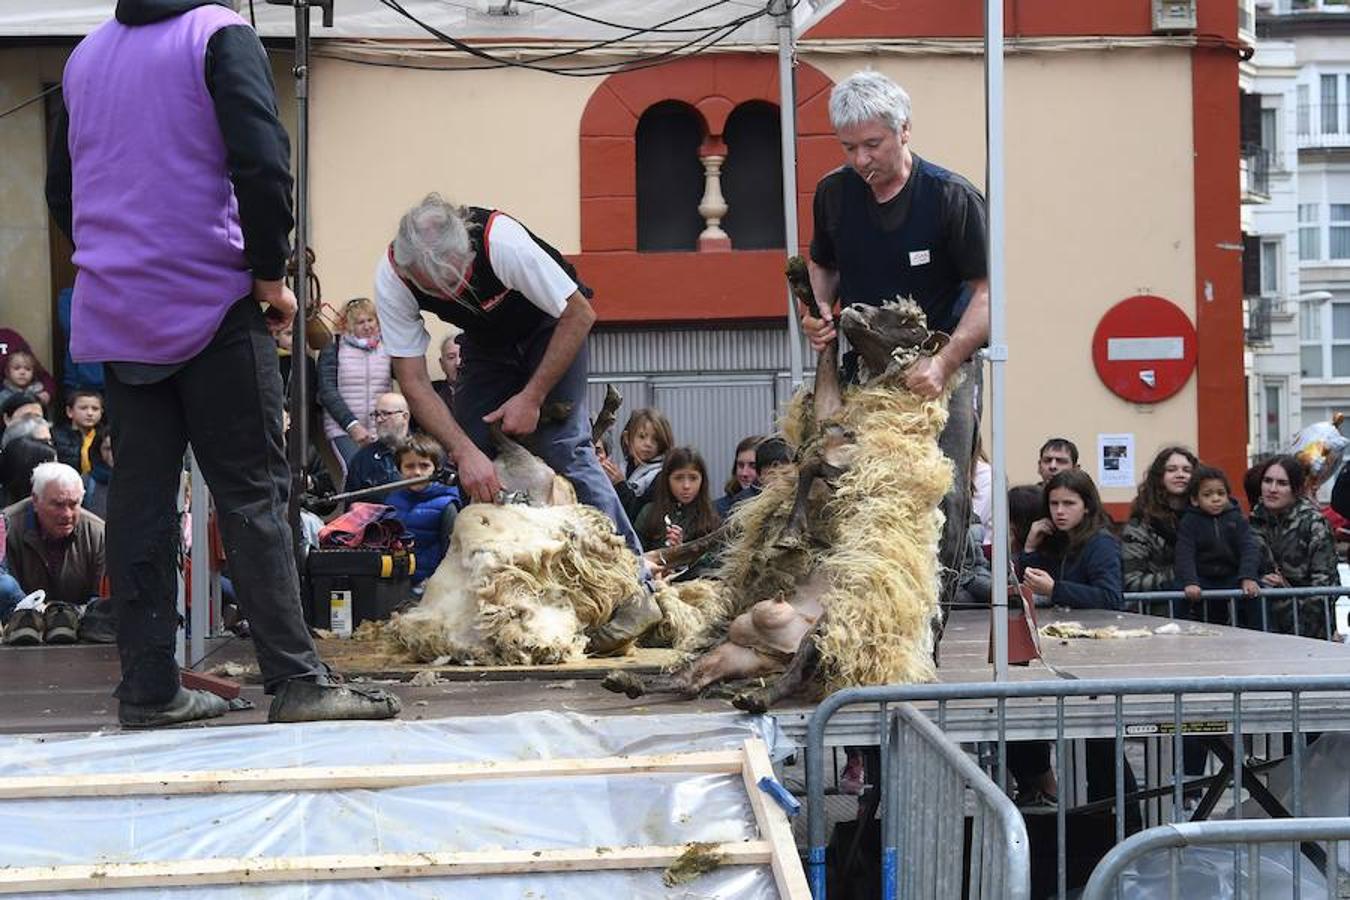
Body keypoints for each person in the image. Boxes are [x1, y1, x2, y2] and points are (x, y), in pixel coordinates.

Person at [46, 0, 399, 726]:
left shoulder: (85, 57)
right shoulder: (217, 35)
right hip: (211, 301)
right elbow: (263, 163)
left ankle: (147, 689)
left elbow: (62, 189)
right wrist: (269, 273)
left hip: (119, 309)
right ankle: (297, 681)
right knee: (255, 495)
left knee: (140, 504)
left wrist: (117, 256)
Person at [374, 194, 657, 651]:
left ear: (464, 249)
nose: (450, 296)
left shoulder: (499, 242)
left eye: (458, 280)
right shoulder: (392, 277)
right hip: (486, 345)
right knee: (471, 453)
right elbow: (411, 377)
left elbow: (580, 313)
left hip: (553, 325)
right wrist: (464, 452)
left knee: (567, 447)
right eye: (437, 289)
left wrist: (532, 396)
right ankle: (497, 606)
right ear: (411, 272)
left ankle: (637, 592)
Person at [801, 70, 988, 608]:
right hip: (865, 369)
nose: (862, 160)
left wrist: (947, 361)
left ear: (904, 130)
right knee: (850, 487)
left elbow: (987, 294)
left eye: (873, 145)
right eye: (850, 147)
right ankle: (859, 615)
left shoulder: (952, 197)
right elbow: (822, 268)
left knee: (941, 497)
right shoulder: (835, 195)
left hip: (939, 367)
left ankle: (928, 622)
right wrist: (815, 314)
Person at [1, 462, 105, 645]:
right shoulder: (7, 528)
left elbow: (103, 601)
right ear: (35, 500)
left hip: (81, 643)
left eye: (73, 504)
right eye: (57, 505)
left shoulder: (98, 533)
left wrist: (66, 614)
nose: (66, 514)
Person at [1249, 455, 1339, 638]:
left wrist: (1286, 591)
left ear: (1295, 489)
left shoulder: (1314, 524)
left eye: (1282, 483)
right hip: (1262, 628)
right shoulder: (1253, 521)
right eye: (1268, 481)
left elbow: (1325, 585)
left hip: (1309, 631)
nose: (1272, 489)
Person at [1019, 469, 1122, 611]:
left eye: (1069, 503)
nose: (1059, 511)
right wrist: (1030, 549)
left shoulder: (1101, 543)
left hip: (1094, 627)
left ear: (1086, 507)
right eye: (1054, 503)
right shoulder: (1055, 538)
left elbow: (1110, 598)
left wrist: (1055, 589)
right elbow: (1031, 585)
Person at [1175, 464, 1261, 625]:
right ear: (1195, 499)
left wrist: (1248, 577)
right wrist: (1190, 581)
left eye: (1221, 493)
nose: (1216, 499)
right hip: (1202, 578)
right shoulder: (1189, 521)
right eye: (1207, 495)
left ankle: (1261, 634)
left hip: (1232, 576)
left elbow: (1248, 547)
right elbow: (1184, 553)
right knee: (1179, 594)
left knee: (1255, 594)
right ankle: (1178, 632)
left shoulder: (1236, 518)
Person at [317, 297, 392, 473]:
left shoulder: (388, 347)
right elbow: (327, 392)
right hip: (344, 429)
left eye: (370, 320)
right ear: (349, 326)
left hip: (380, 428)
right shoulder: (334, 348)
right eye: (360, 322)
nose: (367, 326)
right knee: (355, 473)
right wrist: (352, 425)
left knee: (384, 477)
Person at [1121, 446, 1198, 609]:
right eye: (1171, 470)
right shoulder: (1141, 524)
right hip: (1158, 614)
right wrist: (1182, 573)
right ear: (1159, 476)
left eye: (1187, 470)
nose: (1180, 475)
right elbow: (1131, 581)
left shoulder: (1206, 519)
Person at [385, 434, 461, 587]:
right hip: (397, 583)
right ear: (399, 469)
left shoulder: (447, 505)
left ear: (437, 469)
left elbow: (452, 553)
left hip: (433, 586)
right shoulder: (391, 501)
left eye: (424, 466)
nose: (417, 472)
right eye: (409, 466)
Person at [635, 448, 722, 578]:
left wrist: (682, 555)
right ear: (667, 480)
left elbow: (716, 564)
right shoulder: (648, 513)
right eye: (678, 478)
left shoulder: (711, 517)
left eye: (693, 478)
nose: (686, 485)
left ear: (702, 480)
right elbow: (634, 554)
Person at [344, 392, 411, 500]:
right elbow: (352, 507)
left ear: (404, 417)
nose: (379, 420)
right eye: (376, 415)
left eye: (385, 414)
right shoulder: (363, 458)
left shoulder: (424, 450)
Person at [612, 408, 674, 521]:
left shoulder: (661, 475)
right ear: (627, 438)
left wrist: (620, 485)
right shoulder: (623, 467)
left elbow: (639, 514)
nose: (648, 444)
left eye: (655, 439)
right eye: (642, 436)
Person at [52, 389, 104, 475]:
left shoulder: (105, 437)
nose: (90, 413)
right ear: (69, 411)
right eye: (83, 408)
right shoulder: (56, 436)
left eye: (95, 409)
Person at [715, 435, 763, 519]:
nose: (744, 473)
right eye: (740, 465)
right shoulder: (718, 509)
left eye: (753, 466)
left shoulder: (782, 507)